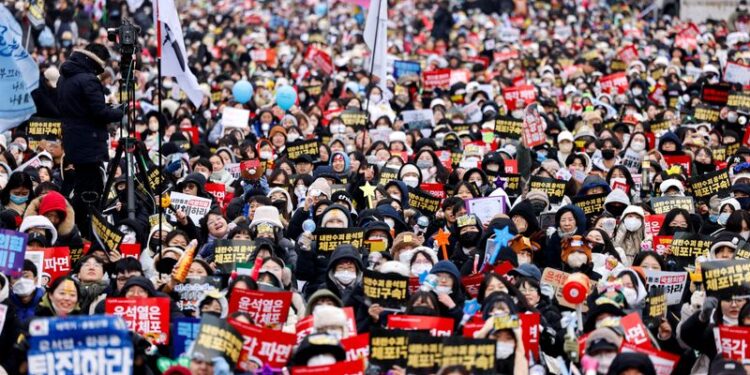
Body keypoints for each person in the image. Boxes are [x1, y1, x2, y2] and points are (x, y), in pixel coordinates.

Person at [57, 43, 124, 237]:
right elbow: (99, 112)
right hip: (89, 143)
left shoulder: (64, 78)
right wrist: (119, 111)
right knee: (90, 191)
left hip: (73, 141)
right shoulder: (88, 79)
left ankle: (79, 227)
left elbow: (82, 109)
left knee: (81, 186)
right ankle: (86, 232)